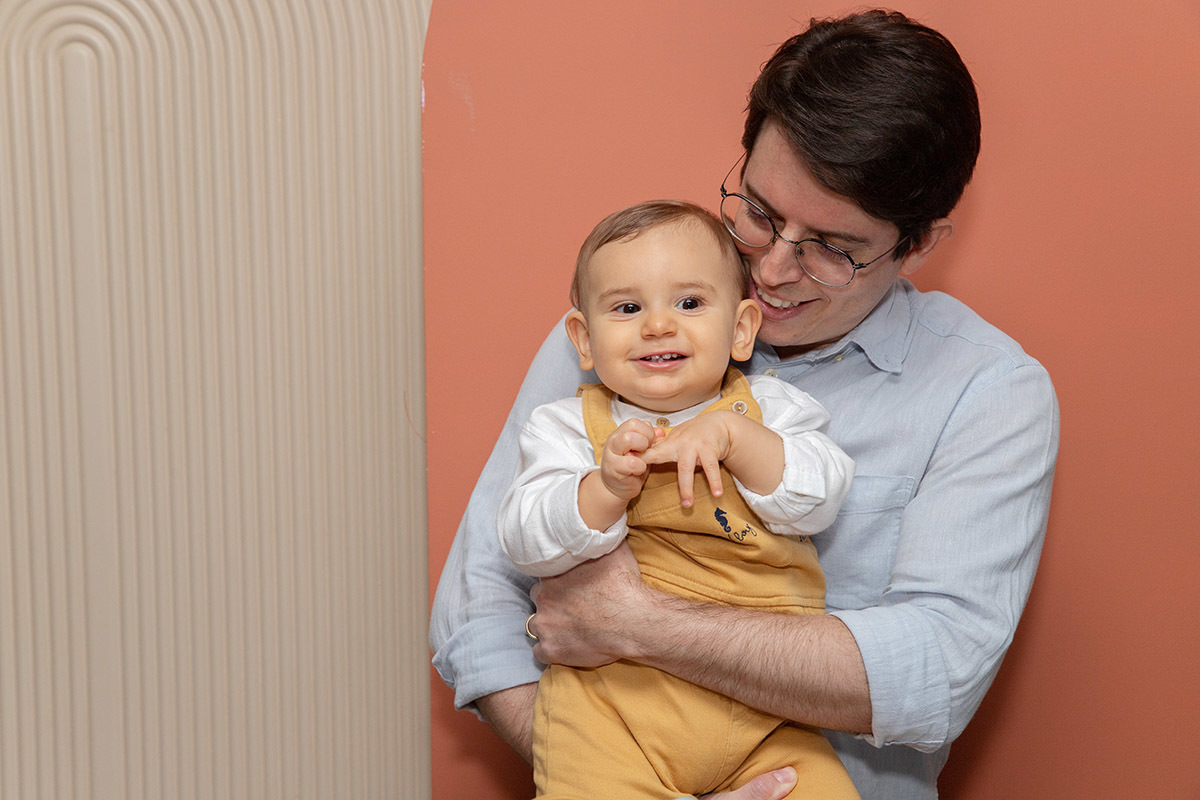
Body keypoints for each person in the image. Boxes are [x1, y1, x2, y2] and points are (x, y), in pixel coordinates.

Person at [430, 10, 1059, 800]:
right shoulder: (628, 329)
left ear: (920, 243)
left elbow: (935, 670)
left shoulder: (989, 393)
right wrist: (612, 774)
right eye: (759, 212)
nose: (772, 268)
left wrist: (637, 624)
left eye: (832, 248)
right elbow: (477, 602)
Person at [499, 200, 858, 800]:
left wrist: (737, 439)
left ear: (741, 329)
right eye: (627, 308)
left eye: (689, 303)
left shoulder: (774, 410)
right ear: (584, 340)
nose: (658, 326)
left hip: (769, 710)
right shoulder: (564, 428)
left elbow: (820, 497)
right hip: (614, 710)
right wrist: (603, 490)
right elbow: (523, 538)